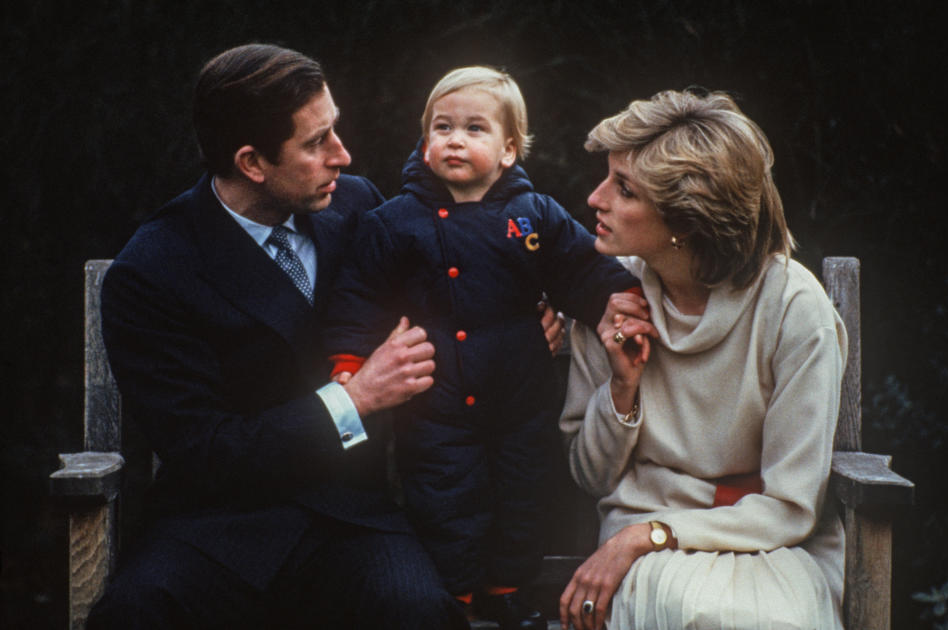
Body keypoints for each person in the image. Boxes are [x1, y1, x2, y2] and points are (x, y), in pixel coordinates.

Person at [88, 44, 563, 630]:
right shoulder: (155, 270)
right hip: (216, 527)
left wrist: (517, 320)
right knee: (132, 616)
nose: (344, 155)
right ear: (252, 162)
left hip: (353, 517)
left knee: (420, 613)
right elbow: (204, 451)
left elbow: (450, 274)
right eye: (316, 143)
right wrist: (354, 399)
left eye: (333, 130)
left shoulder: (357, 205)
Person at [323, 66, 640, 630]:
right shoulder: (395, 222)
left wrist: (616, 299)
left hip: (520, 401)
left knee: (522, 501)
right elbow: (358, 298)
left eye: (475, 128)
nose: (455, 139)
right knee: (446, 504)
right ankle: (457, 601)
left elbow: (579, 269)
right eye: (441, 128)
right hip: (437, 408)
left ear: (509, 150)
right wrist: (350, 363)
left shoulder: (532, 215)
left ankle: (507, 592)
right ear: (424, 144)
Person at [556, 89, 848, 630]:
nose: (595, 199)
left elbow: (791, 505)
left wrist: (652, 533)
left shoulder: (793, 309)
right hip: (644, 547)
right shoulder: (609, 297)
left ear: (685, 222)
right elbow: (591, 477)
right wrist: (621, 392)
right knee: (697, 614)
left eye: (624, 189)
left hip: (771, 547)